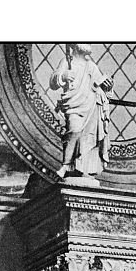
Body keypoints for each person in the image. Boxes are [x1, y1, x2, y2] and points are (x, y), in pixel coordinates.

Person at [50, 44, 113, 180]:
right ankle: (67, 164)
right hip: (74, 104)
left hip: (91, 106)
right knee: (74, 129)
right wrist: (63, 76)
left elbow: (100, 87)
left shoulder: (92, 66)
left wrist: (107, 87)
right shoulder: (67, 61)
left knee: (87, 139)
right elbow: (53, 82)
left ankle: (80, 168)